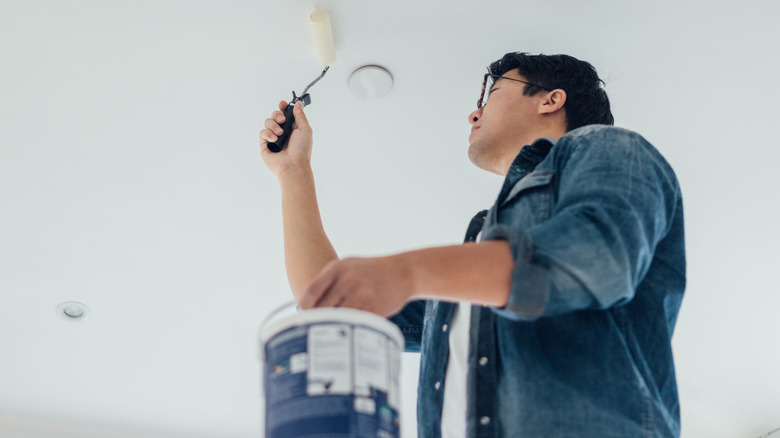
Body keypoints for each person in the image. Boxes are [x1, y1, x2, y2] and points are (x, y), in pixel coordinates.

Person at [259, 52, 685, 438]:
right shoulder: (478, 260)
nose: (473, 114)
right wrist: (293, 171)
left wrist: (408, 272)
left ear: (551, 100)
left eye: (493, 93)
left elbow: (592, 258)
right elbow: (332, 302)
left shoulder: (610, 150)